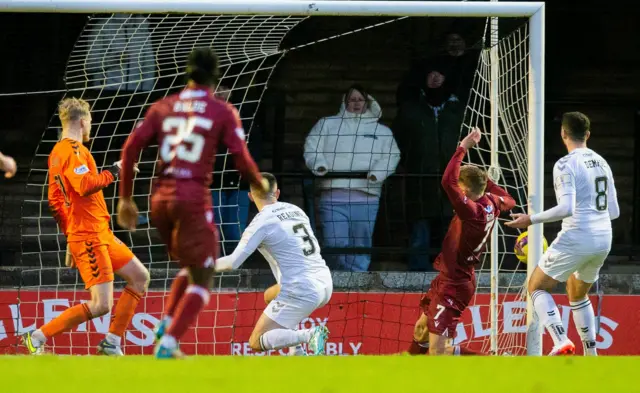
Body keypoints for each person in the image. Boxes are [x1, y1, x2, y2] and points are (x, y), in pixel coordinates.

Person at [117, 47, 268, 359]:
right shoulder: (221, 110)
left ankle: (167, 322)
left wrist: (125, 199)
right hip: (192, 198)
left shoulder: (164, 105)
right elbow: (241, 157)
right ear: (215, 77)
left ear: (186, 73)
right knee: (205, 272)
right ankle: (169, 343)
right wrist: (258, 182)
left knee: (191, 265)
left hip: (159, 199)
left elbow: (130, 148)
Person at [22, 97, 149, 356]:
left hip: (97, 231)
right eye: (90, 121)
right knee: (101, 305)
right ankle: (36, 337)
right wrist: (115, 170)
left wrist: (69, 236)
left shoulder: (59, 153)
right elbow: (84, 185)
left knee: (140, 278)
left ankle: (112, 343)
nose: (90, 125)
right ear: (82, 121)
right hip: (89, 235)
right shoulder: (72, 150)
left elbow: (56, 202)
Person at [506, 112, 619, 356]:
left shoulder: (565, 164)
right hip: (604, 238)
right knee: (577, 293)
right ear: (587, 134)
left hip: (578, 236)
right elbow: (615, 211)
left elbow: (566, 209)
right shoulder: (602, 162)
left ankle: (560, 340)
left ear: (563, 134)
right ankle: (591, 354)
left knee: (536, 286)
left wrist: (530, 219)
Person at [407, 127, 516, 355]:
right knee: (421, 331)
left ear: (465, 191)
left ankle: (495, 361)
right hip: (451, 277)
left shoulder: (471, 211)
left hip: (454, 285)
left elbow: (448, 182)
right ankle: (407, 375)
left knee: (439, 352)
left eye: (461, 187)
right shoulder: (492, 202)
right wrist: (487, 182)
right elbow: (510, 200)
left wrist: (463, 148)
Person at [215, 173, 333, 355]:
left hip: (301, 289)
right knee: (269, 296)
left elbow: (233, 262)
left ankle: (309, 335)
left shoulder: (261, 222)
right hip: (325, 283)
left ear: (250, 196)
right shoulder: (296, 210)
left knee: (256, 341)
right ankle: (297, 351)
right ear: (277, 193)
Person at [304, 84, 400, 271]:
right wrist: (320, 166)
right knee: (334, 243)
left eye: (360, 99)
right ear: (345, 102)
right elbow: (312, 147)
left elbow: (391, 156)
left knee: (361, 243)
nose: (356, 103)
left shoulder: (383, 132)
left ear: (368, 102)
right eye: (352, 100)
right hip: (332, 195)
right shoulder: (326, 124)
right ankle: (338, 278)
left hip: (367, 197)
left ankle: (358, 279)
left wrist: (376, 174)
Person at [392, 61, 464, 271]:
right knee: (419, 231)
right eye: (430, 74)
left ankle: (450, 273)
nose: (435, 78)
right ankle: (418, 276)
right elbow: (398, 142)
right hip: (419, 180)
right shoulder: (411, 110)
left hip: (453, 182)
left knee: (451, 231)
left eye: (439, 74)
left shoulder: (458, 110)